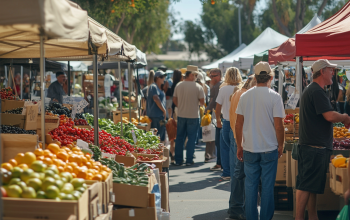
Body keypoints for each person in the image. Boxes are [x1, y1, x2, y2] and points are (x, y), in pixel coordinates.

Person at [296, 59, 350, 220]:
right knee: (306, 186)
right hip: (314, 148)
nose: (333, 73)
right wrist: (345, 117)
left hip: (313, 147)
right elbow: (330, 116)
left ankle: (313, 216)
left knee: (311, 187)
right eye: (331, 70)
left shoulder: (312, 90)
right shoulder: (317, 91)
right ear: (322, 72)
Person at [235, 62, 285, 220]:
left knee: (250, 187)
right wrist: (281, 144)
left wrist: (239, 145)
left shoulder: (245, 96)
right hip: (269, 148)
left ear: (255, 77)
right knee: (267, 188)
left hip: (250, 147)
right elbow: (279, 126)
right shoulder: (275, 96)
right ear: (270, 77)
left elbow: (238, 124)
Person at [227, 75, 256, 220]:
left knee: (239, 175)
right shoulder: (244, 95)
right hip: (242, 138)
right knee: (240, 175)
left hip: (237, 136)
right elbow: (241, 121)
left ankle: (236, 207)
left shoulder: (238, 93)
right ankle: (236, 209)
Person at [173, 65, 205, 166]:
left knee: (179, 137)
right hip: (194, 116)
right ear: (191, 75)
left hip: (181, 114)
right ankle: (189, 159)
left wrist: (181, 106)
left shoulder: (179, 85)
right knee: (191, 138)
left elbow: (174, 99)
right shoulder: (198, 87)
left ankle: (178, 160)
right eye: (195, 75)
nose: (196, 77)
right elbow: (202, 103)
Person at [216, 67, 243, 180]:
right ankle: (234, 173)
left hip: (226, 121)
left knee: (225, 148)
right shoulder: (241, 89)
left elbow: (218, 107)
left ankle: (227, 172)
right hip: (238, 122)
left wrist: (218, 119)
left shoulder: (223, 89)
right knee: (234, 149)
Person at [206, 68, 223, 171]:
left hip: (219, 117)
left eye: (214, 76)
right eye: (211, 76)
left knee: (219, 142)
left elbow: (213, 102)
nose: (212, 78)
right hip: (220, 116)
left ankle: (220, 163)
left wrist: (206, 111)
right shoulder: (218, 85)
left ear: (219, 75)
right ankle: (220, 163)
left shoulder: (216, 86)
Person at [146, 70, 167, 143]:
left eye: (164, 77)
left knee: (160, 137)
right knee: (156, 138)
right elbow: (156, 98)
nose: (163, 78)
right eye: (161, 77)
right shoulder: (153, 86)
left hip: (159, 116)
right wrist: (164, 110)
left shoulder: (158, 88)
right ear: (157, 78)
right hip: (155, 116)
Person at [169, 70, 183, 163]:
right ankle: (175, 153)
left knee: (173, 133)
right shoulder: (180, 85)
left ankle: (172, 151)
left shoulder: (172, 85)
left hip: (174, 110)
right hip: (179, 110)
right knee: (178, 133)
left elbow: (170, 98)